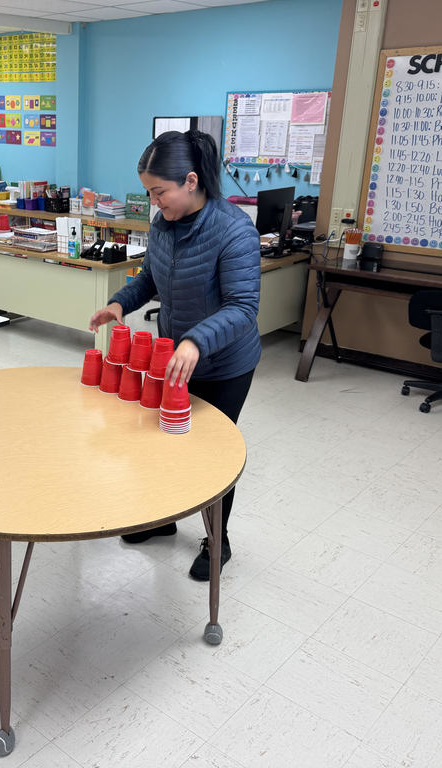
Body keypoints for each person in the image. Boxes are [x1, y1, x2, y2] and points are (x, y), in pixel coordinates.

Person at [89, 129, 260, 581]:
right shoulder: (162, 225)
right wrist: (118, 304)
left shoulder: (235, 231)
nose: (154, 201)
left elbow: (243, 308)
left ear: (190, 180)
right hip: (175, 358)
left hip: (224, 364)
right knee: (164, 437)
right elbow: (150, 279)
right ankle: (162, 518)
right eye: (149, 192)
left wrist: (196, 340)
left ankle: (217, 540)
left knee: (210, 455)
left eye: (158, 191)